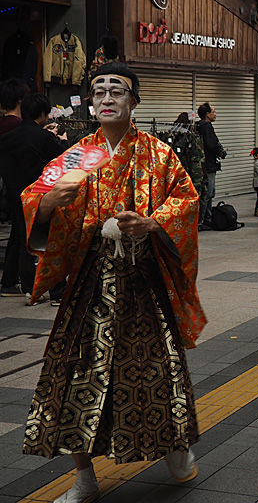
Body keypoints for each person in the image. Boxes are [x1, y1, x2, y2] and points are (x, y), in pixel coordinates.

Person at [20, 62, 206, 502]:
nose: (106, 99)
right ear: (90, 101)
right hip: (90, 281)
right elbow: (34, 197)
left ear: (133, 101)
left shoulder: (160, 154)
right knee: (72, 374)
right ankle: (83, 477)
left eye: (117, 92)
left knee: (159, 371)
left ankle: (176, 447)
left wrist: (153, 221)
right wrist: (46, 204)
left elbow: (186, 201)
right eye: (98, 92)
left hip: (144, 281)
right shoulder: (76, 154)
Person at [0, 93, 67, 302]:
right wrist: (61, 140)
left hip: (15, 195)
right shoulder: (44, 138)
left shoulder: (6, 138)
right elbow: (62, 159)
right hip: (42, 196)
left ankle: (30, 288)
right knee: (49, 240)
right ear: (43, 113)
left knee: (23, 238)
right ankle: (56, 291)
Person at [197, 102, 226, 228]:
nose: (215, 114)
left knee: (207, 192)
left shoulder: (198, 125)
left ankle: (205, 218)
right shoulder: (206, 126)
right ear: (207, 114)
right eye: (213, 112)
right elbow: (211, 144)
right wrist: (220, 151)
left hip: (202, 164)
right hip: (208, 164)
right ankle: (204, 219)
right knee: (209, 193)